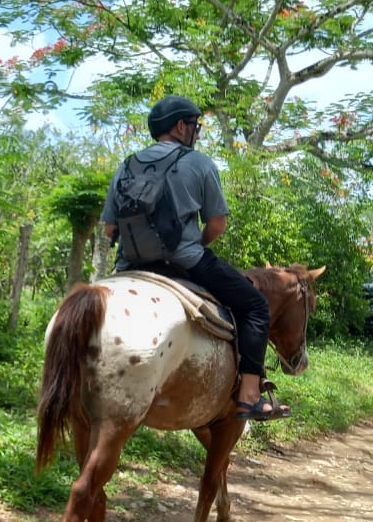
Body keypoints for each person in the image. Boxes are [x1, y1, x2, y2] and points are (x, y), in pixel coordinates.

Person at [100, 94, 290, 421]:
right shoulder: (198, 162)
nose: (197, 134)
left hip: (128, 266)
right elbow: (217, 224)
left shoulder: (126, 165)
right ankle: (249, 396)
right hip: (185, 260)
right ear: (179, 126)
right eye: (196, 127)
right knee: (256, 305)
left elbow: (108, 229)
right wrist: (194, 245)